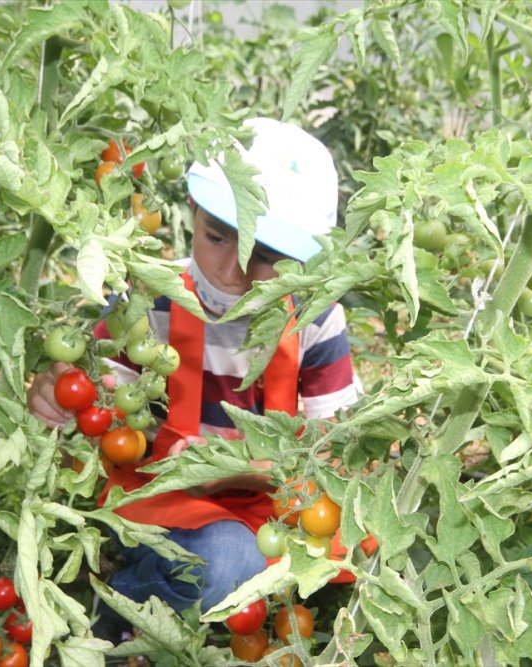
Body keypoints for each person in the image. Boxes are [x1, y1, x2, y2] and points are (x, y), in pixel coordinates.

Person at [26, 118, 361, 636]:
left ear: (304, 259)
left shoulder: (317, 319)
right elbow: (100, 400)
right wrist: (61, 397)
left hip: (268, 504)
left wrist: (237, 470)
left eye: (267, 256)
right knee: (227, 562)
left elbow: (336, 452)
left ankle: (135, 601)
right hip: (152, 496)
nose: (231, 271)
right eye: (216, 237)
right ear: (193, 213)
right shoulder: (149, 296)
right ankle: (114, 624)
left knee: (244, 556)